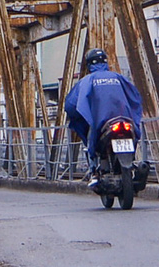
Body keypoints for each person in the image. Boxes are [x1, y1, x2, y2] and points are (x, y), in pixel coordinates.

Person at [61, 49, 143, 188]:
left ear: (89, 64)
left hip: (102, 122)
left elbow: (71, 104)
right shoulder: (119, 78)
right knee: (133, 136)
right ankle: (133, 164)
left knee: (91, 141)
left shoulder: (87, 80)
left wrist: (77, 117)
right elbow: (135, 97)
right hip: (124, 120)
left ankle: (94, 171)